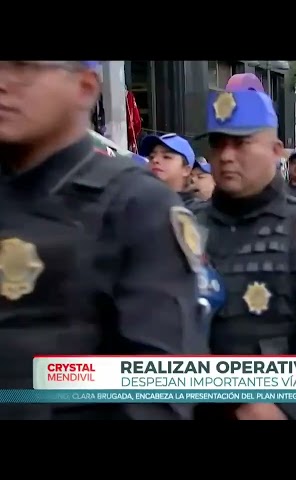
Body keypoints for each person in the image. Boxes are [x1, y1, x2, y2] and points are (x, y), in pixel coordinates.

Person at [0, 60, 205, 420]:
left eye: (24, 67)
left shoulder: (138, 205)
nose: (4, 82)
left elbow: (160, 388)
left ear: (84, 88)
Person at [193, 81, 296, 421]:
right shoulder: (183, 229)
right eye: (218, 143)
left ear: (275, 150)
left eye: (241, 143)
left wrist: (285, 402)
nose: (226, 155)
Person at [140, 133, 207, 213]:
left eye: (166, 157)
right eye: (151, 157)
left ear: (186, 170)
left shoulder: (200, 211)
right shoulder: (137, 207)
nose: (155, 160)